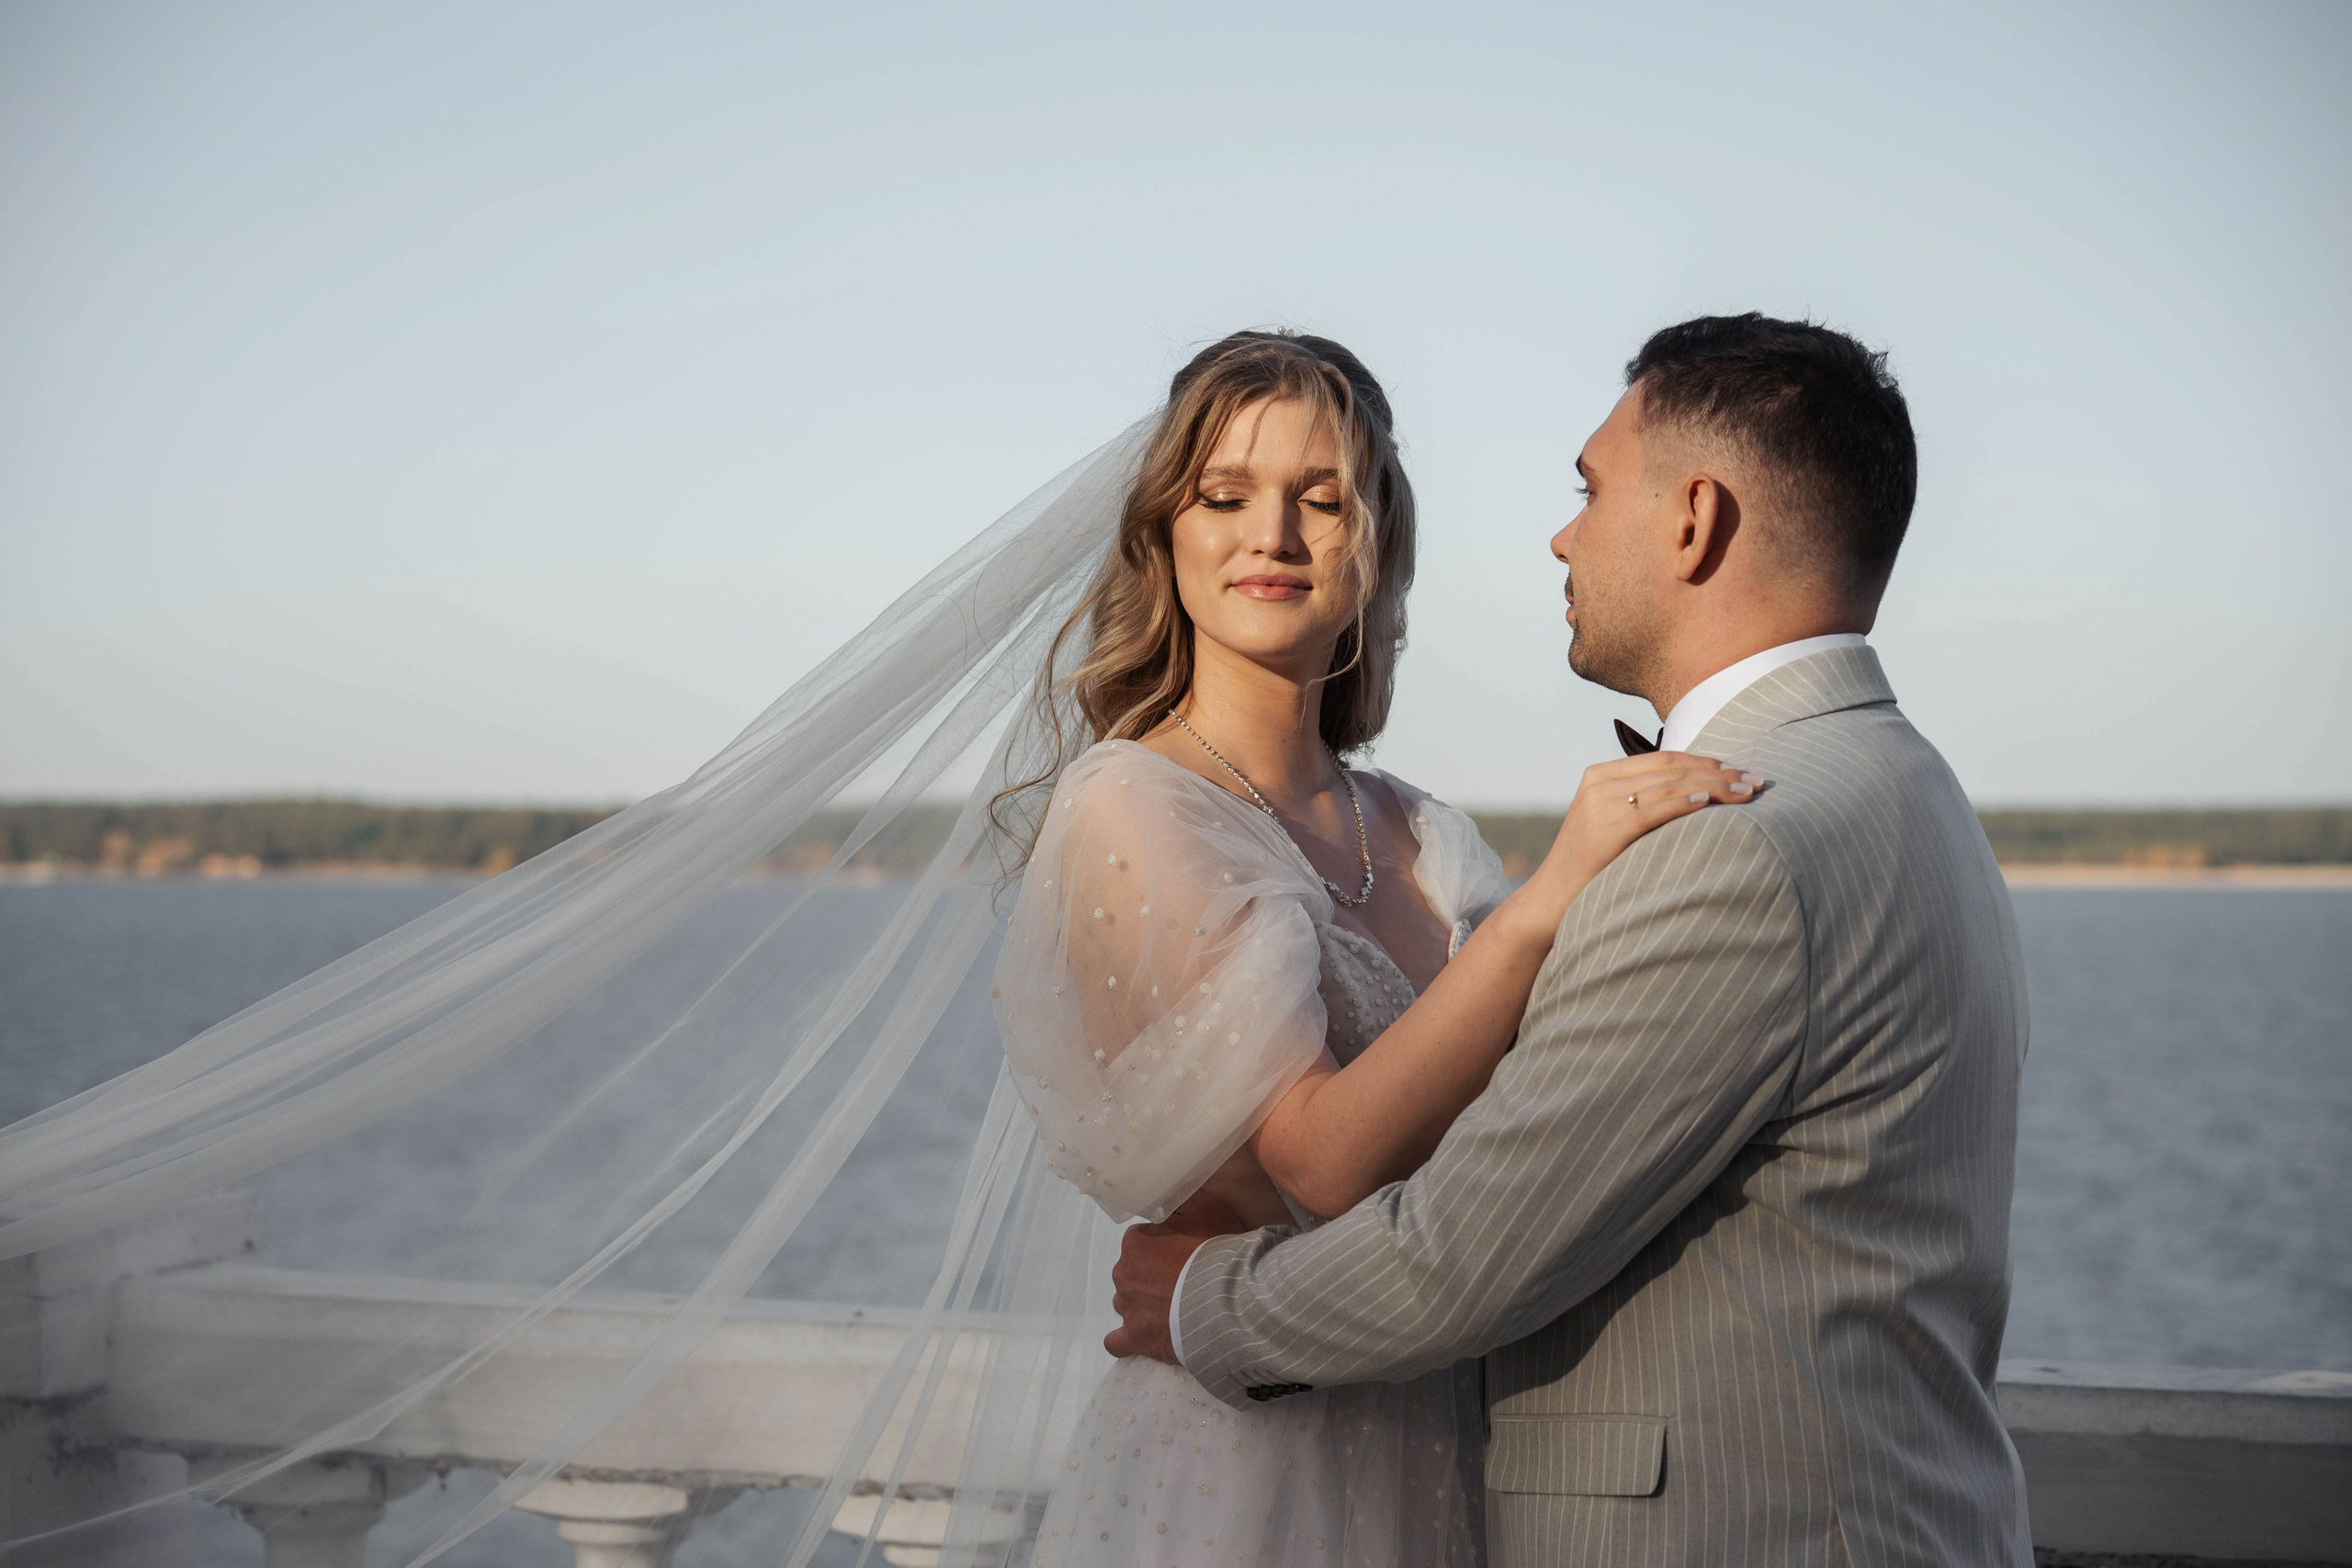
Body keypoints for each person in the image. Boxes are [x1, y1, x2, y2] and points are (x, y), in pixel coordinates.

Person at [1105, 314, 2036, 1566]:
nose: (1561, 533)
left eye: (1591, 490)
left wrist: (1204, 1305)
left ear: (1695, 520)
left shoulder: (1736, 841)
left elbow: (1463, 1255)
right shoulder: (1903, 786)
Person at [992, 329, 1756, 1564]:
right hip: (1244, 1469)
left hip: (1442, 1445)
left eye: (1321, 499)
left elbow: (1526, 1142)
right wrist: (1552, 898)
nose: (1273, 539)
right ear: (1164, 535)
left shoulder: (1421, 835)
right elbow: (1318, 1166)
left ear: (1378, 540)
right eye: (1225, 496)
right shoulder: (1136, 805)